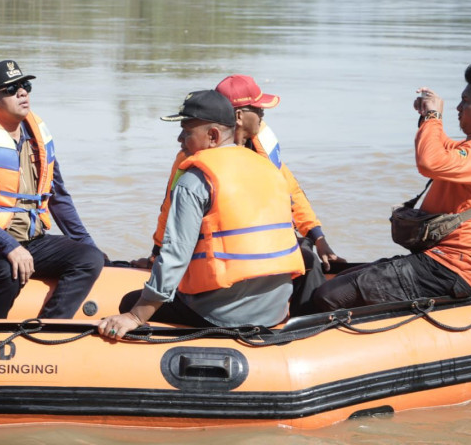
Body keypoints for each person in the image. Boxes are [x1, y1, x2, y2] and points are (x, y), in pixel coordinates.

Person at [98, 90, 305, 339]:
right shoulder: (269, 168)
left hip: (223, 314)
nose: (179, 139)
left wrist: (135, 316)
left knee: (129, 301)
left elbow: (175, 255)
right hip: (276, 308)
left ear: (213, 136)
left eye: (187, 132)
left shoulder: (195, 181)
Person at [313, 63, 471, 311]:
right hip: (439, 262)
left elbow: (430, 162)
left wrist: (434, 116)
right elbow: (440, 148)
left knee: (328, 296)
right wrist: (426, 114)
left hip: (451, 268)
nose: (458, 107)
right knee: (337, 278)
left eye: (465, 101)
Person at [133, 74, 343, 315]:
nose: (263, 114)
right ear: (240, 116)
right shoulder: (191, 159)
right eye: (258, 108)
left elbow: (292, 194)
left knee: (308, 257)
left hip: (255, 252)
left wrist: (317, 236)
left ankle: (307, 319)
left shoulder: (261, 153)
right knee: (304, 256)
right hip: (220, 254)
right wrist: (156, 254)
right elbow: (171, 209)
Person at [0, 60, 105, 319]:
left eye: (25, 85)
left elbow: (59, 198)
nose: (22, 92)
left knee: (90, 258)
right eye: (10, 89)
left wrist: (88, 244)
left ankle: (50, 328)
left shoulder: (37, 140)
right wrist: (9, 247)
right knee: (7, 272)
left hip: (32, 241)